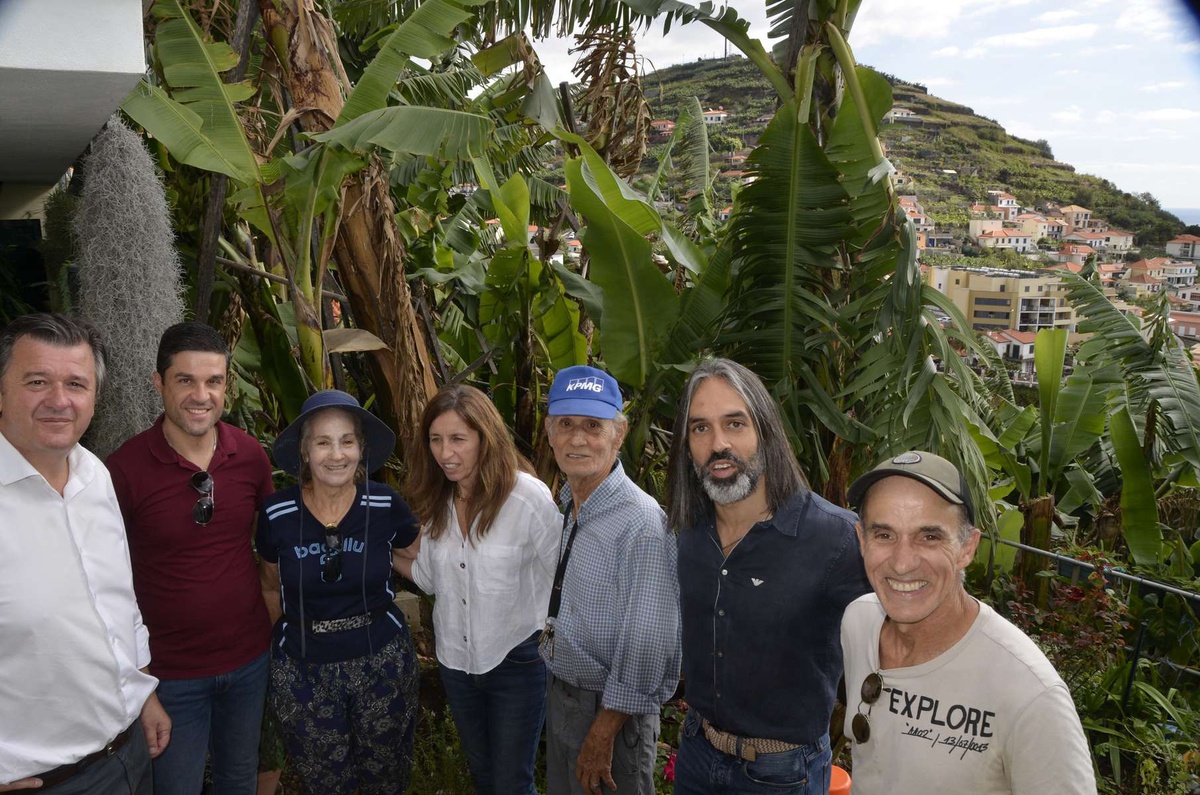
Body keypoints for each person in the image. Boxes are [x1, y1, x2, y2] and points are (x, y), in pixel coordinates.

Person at [666, 358, 871, 795]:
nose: (718, 443)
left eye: (735, 424)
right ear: (687, 446)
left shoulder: (836, 539)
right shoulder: (689, 533)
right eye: (700, 428)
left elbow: (894, 658)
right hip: (696, 755)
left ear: (766, 432)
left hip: (783, 775)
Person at [842, 451, 1096, 794]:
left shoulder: (1030, 693)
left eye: (929, 536)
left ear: (967, 548)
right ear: (861, 541)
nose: (902, 563)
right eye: (884, 535)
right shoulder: (858, 621)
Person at [0, 312, 170, 793]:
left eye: (76, 383)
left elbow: (116, 601)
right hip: (44, 780)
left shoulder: (95, 474)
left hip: (129, 753)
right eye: (37, 381)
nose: (59, 401)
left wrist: (142, 692)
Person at [107, 322, 273, 795]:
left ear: (227, 387)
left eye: (214, 381)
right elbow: (106, 584)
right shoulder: (123, 471)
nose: (201, 395)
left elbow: (271, 552)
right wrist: (141, 688)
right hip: (169, 675)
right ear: (159, 383)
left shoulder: (251, 457)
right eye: (185, 380)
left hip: (248, 661)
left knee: (239, 780)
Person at [396, 384, 561, 794]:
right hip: (456, 661)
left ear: (485, 438)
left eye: (457, 439)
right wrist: (377, 551)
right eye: (435, 439)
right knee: (484, 777)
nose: (445, 453)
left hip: (516, 661)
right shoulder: (438, 499)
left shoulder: (526, 498)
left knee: (511, 783)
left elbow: (564, 578)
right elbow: (434, 580)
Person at [255, 390, 419, 794]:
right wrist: (284, 649)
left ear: (361, 449)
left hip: (382, 662)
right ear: (304, 452)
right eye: (323, 442)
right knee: (326, 783)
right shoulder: (278, 514)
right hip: (304, 669)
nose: (336, 454)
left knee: (386, 778)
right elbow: (269, 587)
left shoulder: (385, 504)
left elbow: (417, 560)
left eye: (347, 441)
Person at [540, 365, 681, 795]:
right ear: (550, 433)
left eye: (592, 426)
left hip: (611, 713)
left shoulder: (641, 523)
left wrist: (602, 734)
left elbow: (648, 644)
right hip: (566, 697)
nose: (577, 439)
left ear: (618, 436)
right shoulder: (570, 503)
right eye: (566, 424)